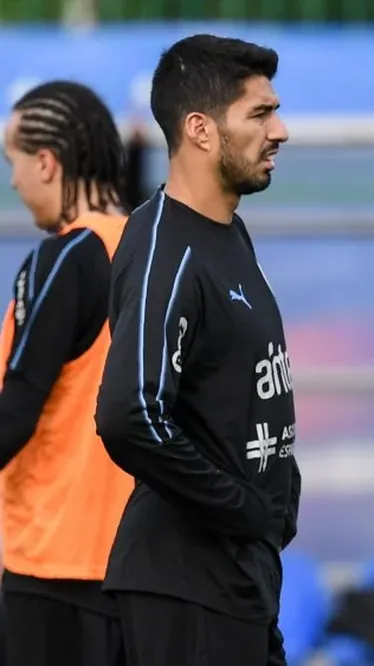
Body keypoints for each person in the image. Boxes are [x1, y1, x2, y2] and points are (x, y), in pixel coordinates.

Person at [95, 34, 300, 666]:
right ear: (200, 130)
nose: (280, 131)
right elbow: (129, 414)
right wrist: (241, 508)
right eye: (260, 114)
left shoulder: (228, 233)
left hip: (238, 580)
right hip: (185, 587)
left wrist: (278, 500)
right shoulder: (163, 248)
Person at [0, 80, 134, 666]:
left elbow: (15, 411)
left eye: (13, 161)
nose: (13, 182)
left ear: (47, 163)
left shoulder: (63, 259)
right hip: (135, 564)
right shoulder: (149, 247)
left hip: (53, 561)